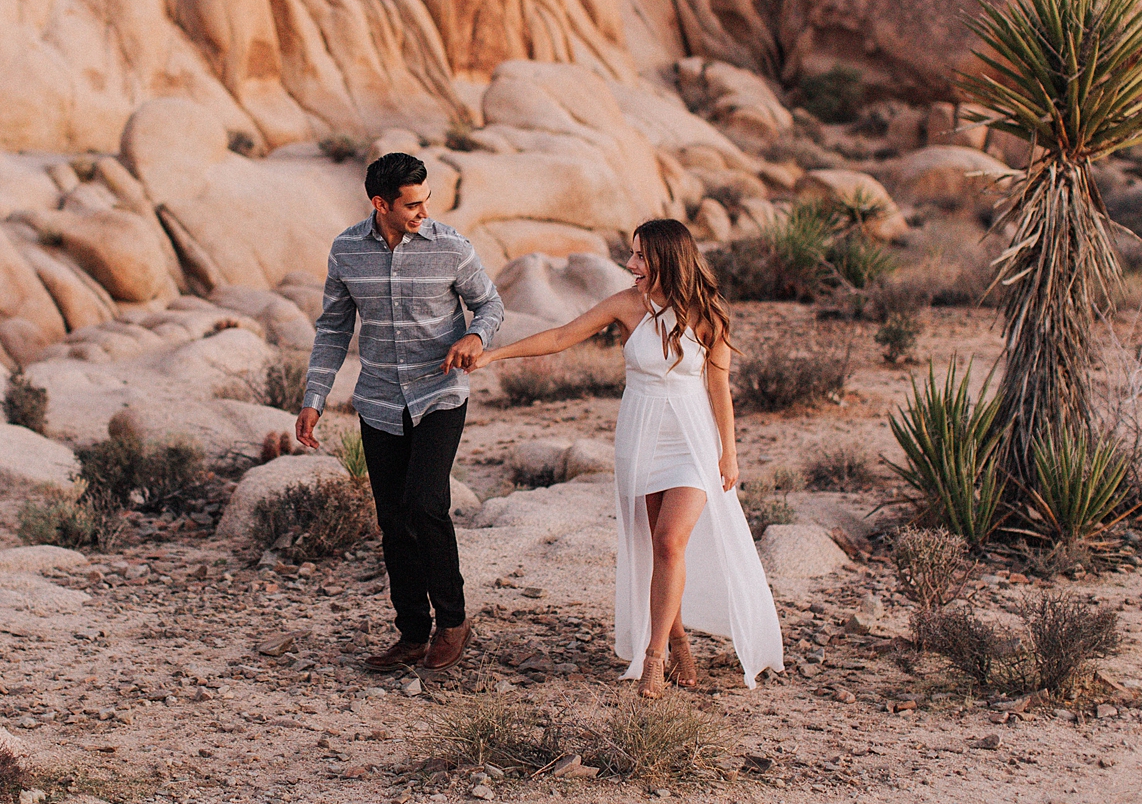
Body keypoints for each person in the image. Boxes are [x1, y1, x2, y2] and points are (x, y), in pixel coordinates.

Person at [470, 219, 782, 696]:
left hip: (692, 439)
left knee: (672, 540)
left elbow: (719, 387)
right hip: (641, 433)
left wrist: (730, 453)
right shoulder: (625, 305)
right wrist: (494, 356)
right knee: (655, 545)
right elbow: (559, 337)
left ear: (666, 260)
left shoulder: (708, 315)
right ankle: (676, 640)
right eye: (632, 255)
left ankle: (653, 657)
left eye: (640, 256)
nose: (631, 265)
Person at [295, 152, 504, 674]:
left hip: (439, 394)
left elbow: (491, 305)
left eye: (426, 199)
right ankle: (412, 633)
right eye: (412, 204)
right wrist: (313, 398)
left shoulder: (451, 246)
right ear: (379, 204)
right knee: (393, 521)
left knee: (425, 504)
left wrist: (475, 335)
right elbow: (333, 329)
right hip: (380, 400)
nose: (423, 211)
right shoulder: (346, 250)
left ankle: (452, 621)